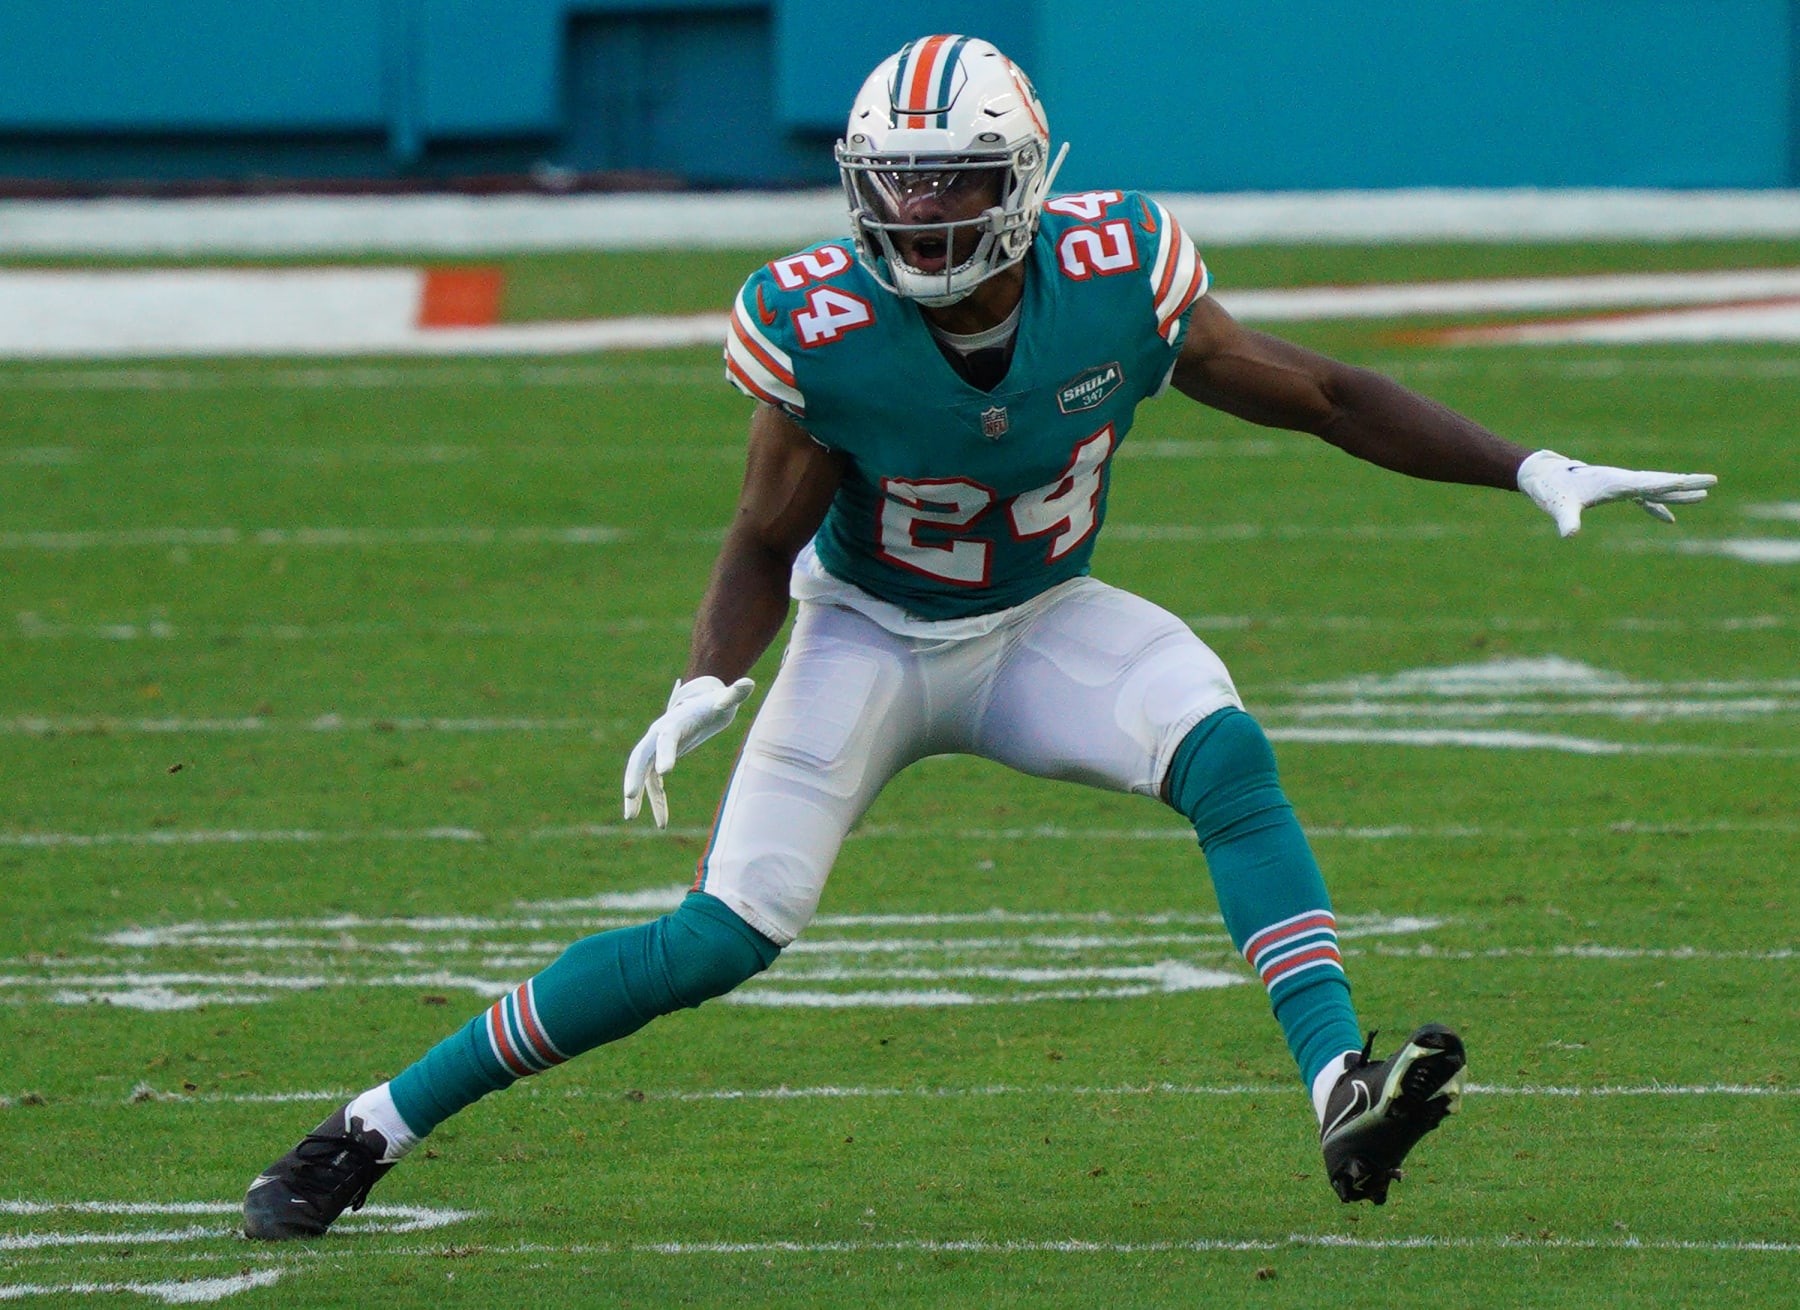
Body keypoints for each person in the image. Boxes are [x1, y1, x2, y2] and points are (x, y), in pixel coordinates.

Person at [243, 34, 1716, 1238]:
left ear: (1022, 182)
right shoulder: (822, 328)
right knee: (718, 936)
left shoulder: (1119, 272)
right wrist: (708, 676)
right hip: (867, 636)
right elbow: (764, 532)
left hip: (1046, 623)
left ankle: (1339, 1080)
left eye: (954, 180)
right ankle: (369, 1125)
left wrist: (1526, 462)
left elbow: (1320, 394)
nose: (923, 212)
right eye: (898, 183)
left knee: (1226, 750)